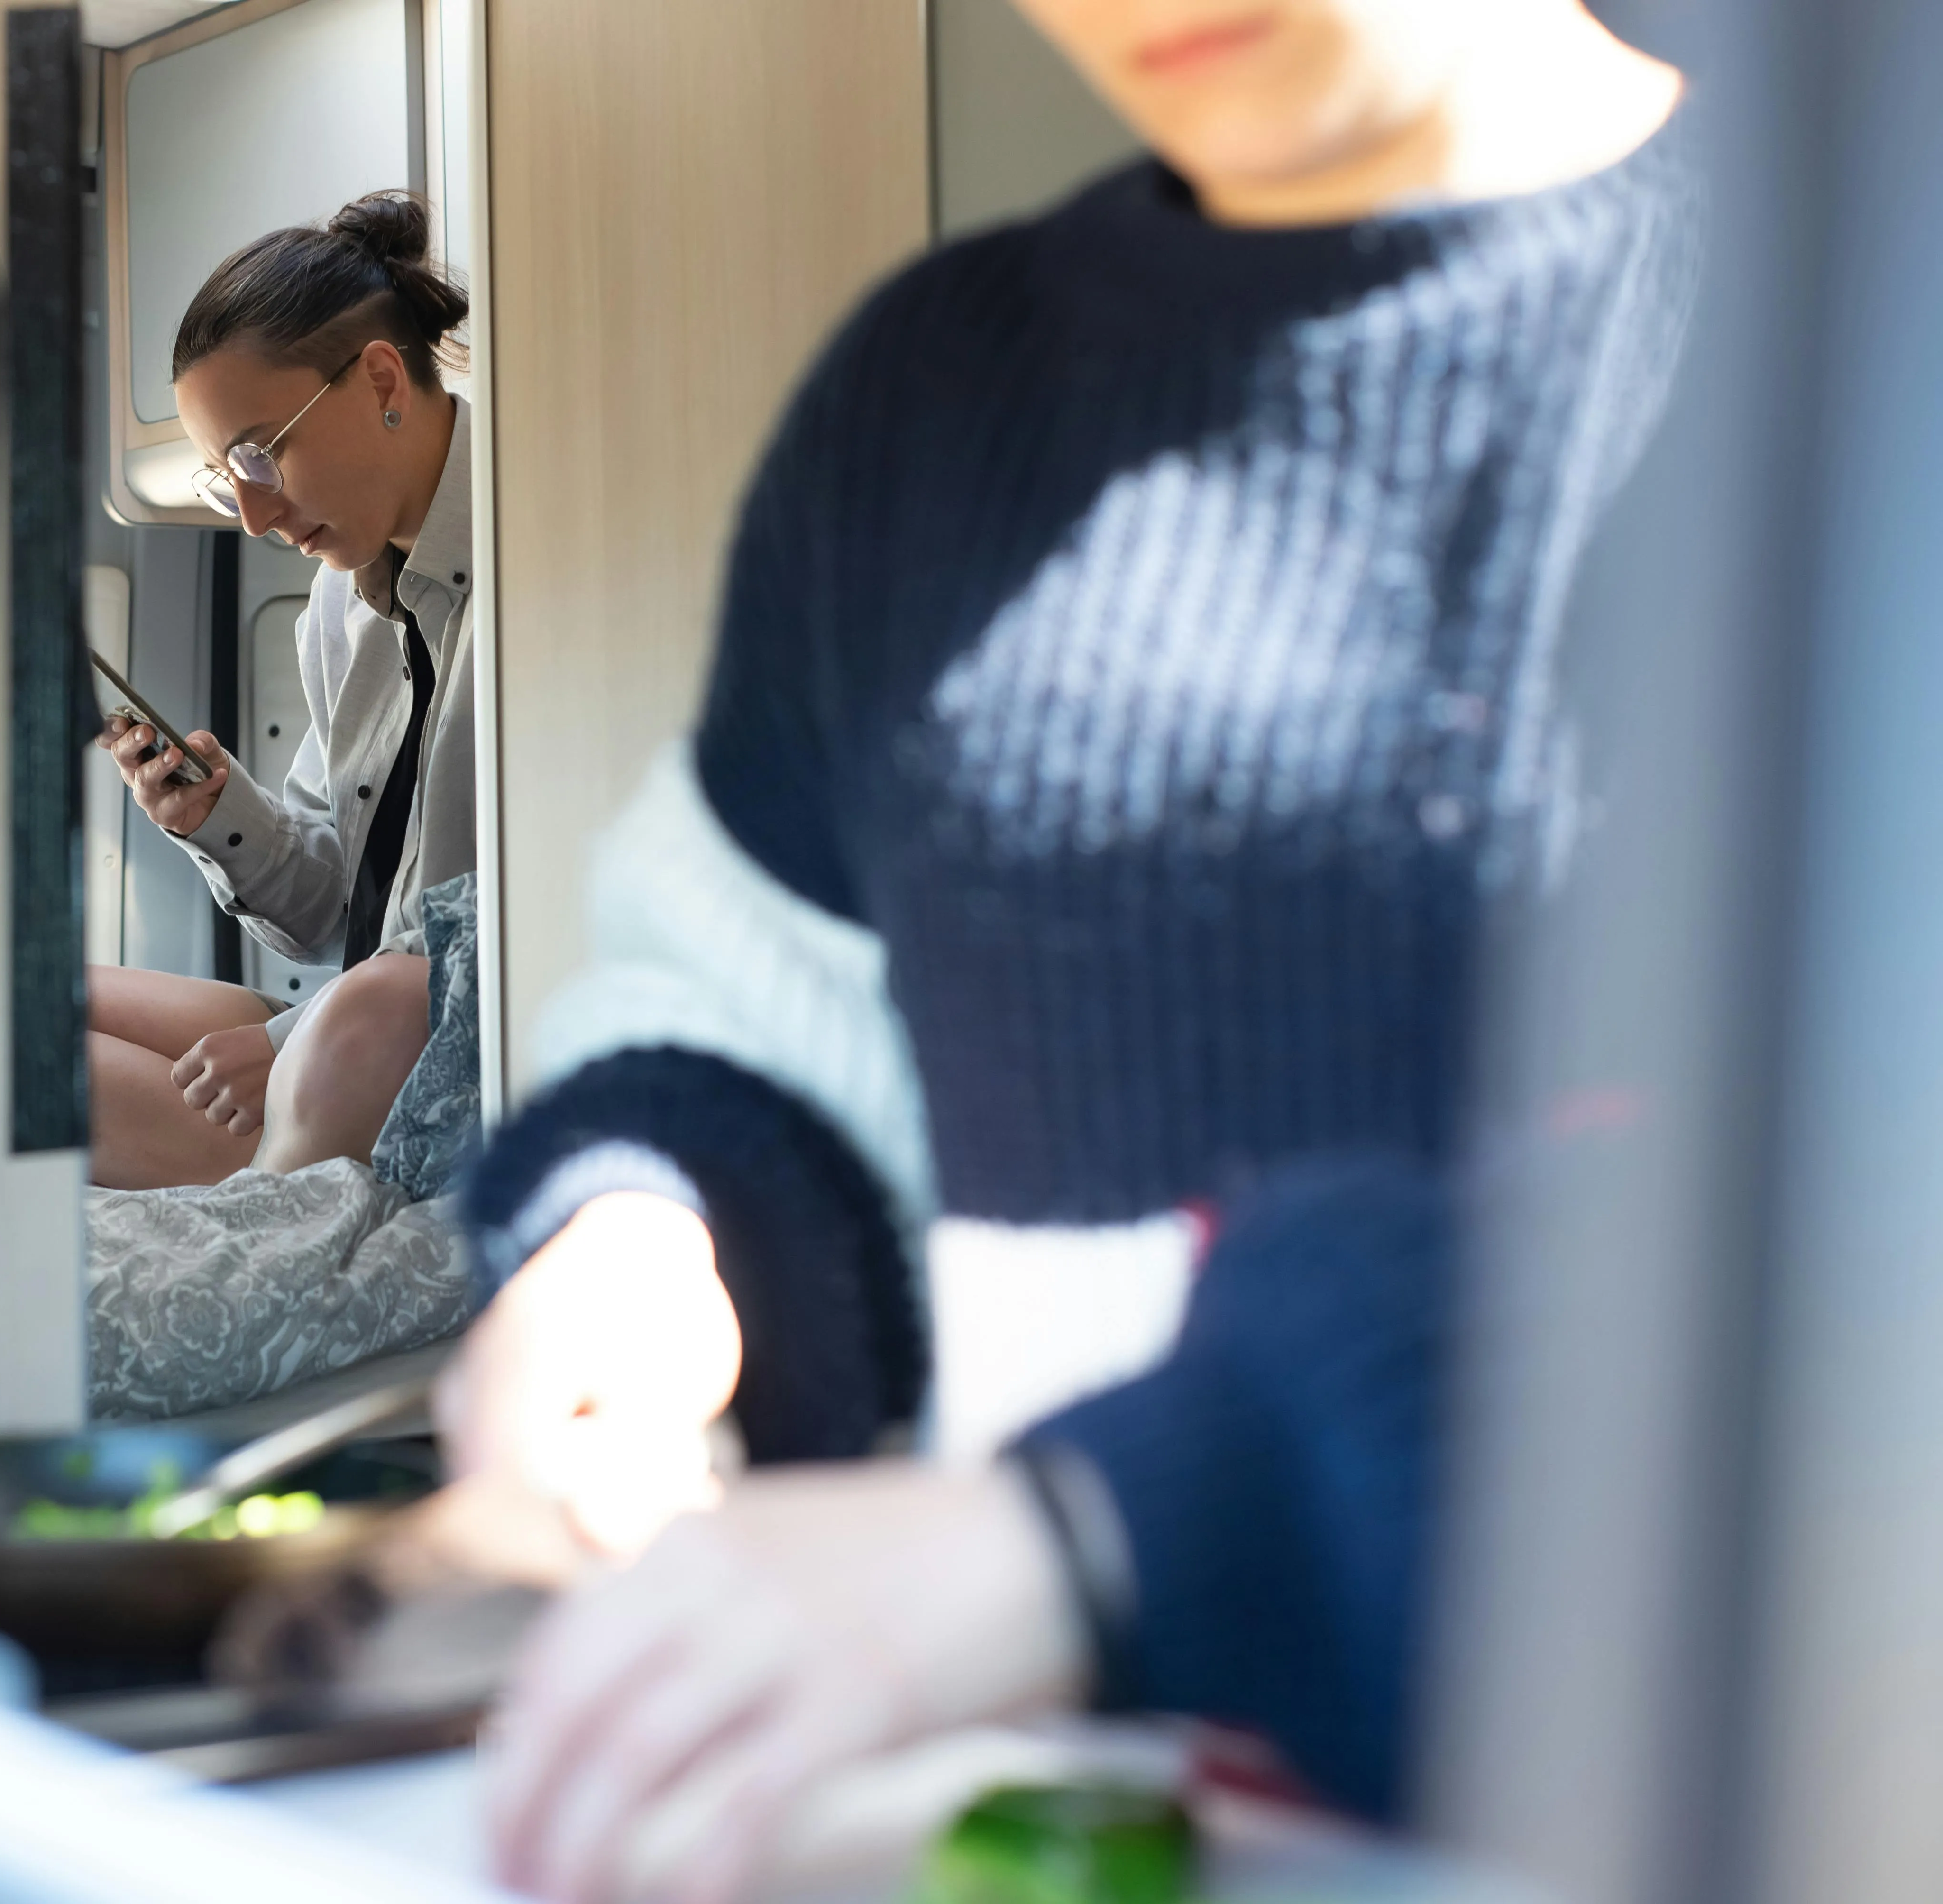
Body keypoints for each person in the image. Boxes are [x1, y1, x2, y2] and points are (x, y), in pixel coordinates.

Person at [439, 1, 1696, 1896]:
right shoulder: (927, 398)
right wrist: (647, 1234)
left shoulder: (1854, 302)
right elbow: (757, 1010)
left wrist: (1124, 1520)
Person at [89, 192, 479, 1190]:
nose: (255, 516)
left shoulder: (545, 569)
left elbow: (496, 941)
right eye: (228, 477)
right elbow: (322, 913)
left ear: (381, 379)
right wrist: (219, 816)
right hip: (344, 1026)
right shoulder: (338, 608)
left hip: (428, 1067)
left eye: (261, 454)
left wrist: (297, 1039)